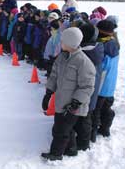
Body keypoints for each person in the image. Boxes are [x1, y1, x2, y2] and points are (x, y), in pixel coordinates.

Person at [41, 27, 96, 161]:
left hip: (72, 105)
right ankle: (71, 149)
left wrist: (76, 103)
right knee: (64, 128)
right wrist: (49, 92)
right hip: (61, 102)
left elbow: (87, 86)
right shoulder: (62, 56)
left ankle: (56, 153)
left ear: (71, 43)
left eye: (63, 41)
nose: (61, 43)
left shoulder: (83, 62)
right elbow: (54, 74)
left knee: (60, 131)